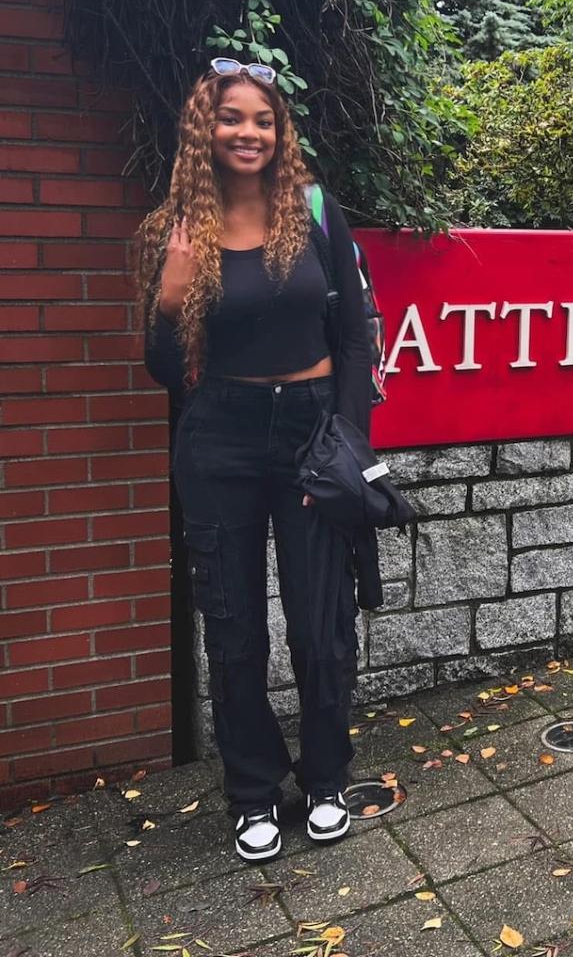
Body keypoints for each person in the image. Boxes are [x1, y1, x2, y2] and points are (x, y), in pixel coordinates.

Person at [138, 57, 371, 863]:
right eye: (233, 118)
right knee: (234, 629)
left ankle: (328, 777)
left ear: (281, 133)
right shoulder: (179, 229)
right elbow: (165, 372)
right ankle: (251, 793)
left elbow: (353, 334)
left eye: (263, 120)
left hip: (310, 427)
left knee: (319, 622)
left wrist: (348, 439)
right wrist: (170, 302)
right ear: (207, 127)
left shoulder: (312, 211)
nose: (249, 132)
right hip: (222, 435)